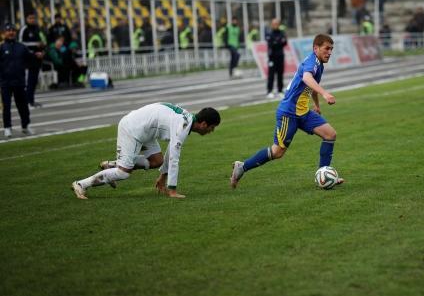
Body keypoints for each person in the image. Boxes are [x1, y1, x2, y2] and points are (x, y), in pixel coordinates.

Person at [230, 34, 343, 189]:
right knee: (277, 152)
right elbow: (307, 78)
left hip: (303, 112)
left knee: (330, 134)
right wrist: (325, 93)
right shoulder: (312, 62)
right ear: (315, 48)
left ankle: (323, 176)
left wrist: (316, 105)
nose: (329, 52)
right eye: (326, 48)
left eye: (331, 49)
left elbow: (311, 85)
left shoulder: (319, 64)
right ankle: (242, 167)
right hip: (289, 113)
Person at [71, 103, 221, 199]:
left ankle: (112, 165)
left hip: (146, 130)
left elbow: (170, 153)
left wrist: (162, 177)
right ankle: (81, 184)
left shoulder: (186, 121)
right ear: (203, 124)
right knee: (123, 173)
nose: (211, 131)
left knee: (157, 161)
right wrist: (172, 190)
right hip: (133, 129)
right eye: (212, 127)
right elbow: (174, 158)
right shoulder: (182, 126)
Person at [1, 23, 42, 138]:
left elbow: (30, 57)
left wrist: (37, 55)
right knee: (6, 107)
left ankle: (25, 126)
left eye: (13, 30)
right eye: (8, 30)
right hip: (5, 82)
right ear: (4, 33)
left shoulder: (21, 47)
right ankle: (7, 127)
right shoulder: (1, 47)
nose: (11, 32)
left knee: (23, 106)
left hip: (19, 81)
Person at [18, 13, 46, 107]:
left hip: (37, 58)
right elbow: (21, 44)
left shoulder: (38, 29)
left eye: (33, 18)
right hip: (28, 58)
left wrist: (42, 51)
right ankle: (26, 100)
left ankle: (31, 99)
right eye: (30, 18)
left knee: (33, 80)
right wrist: (33, 52)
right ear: (26, 19)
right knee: (28, 81)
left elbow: (43, 42)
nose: (32, 20)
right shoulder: (24, 29)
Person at [266, 18, 287, 99]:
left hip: (280, 56)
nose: (275, 25)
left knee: (280, 74)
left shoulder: (281, 33)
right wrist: (279, 42)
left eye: (277, 24)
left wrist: (277, 42)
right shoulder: (269, 33)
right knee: (271, 75)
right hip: (272, 57)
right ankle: (269, 91)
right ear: (272, 25)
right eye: (274, 24)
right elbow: (271, 44)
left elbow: (284, 42)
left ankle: (280, 90)